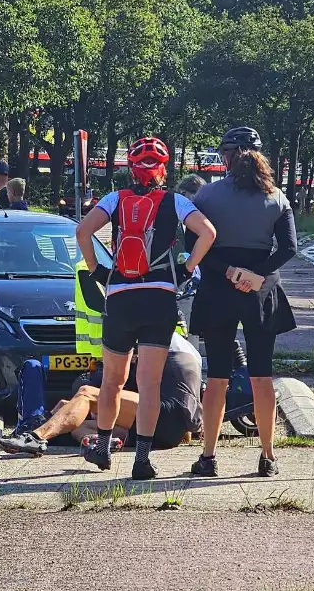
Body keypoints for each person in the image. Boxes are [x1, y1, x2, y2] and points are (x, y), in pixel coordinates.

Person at [75, 136, 216, 480]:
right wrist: (185, 270)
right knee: (149, 384)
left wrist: (98, 270)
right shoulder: (176, 201)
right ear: (163, 169)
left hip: (121, 297)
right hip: (160, 298)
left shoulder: (114, 199)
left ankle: (103, 448)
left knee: (112, 381)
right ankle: (141, 460)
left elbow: (83, 231)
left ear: (131, 169)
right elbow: (208, 232)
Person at [187, 127, 297, 478]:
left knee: (217, 376)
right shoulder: (278, 198)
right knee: (261, 376)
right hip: (261, 292)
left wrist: (231, 270)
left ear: (228, 157)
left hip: (219, 290)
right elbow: (289, 248)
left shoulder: (206, 197)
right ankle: (268, 457)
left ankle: (208, 457)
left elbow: (196, 248)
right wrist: (255, 274)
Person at [0, 333, 203, 456]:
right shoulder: (178, 343)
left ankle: (36, 436)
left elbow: (117, 386)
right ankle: (100, 442)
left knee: (88, 393)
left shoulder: (149, 340)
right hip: (167, 433)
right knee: (76, 426)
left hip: (163, 415)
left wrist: (85, 401)